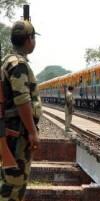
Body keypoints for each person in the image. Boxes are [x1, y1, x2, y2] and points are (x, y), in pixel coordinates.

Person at [0, 20, 42, 200]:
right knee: (14, 183)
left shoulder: (8, 61)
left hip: (12, 131)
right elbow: (22, 100)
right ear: (29, 39)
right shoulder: (18, 64)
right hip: (17, 133)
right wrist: (32, 132)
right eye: (33, 38)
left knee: (10, 181)